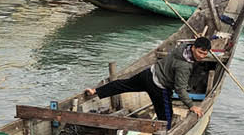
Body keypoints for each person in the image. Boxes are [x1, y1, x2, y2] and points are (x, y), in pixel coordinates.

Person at [84, 36, 213, 128]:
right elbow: (180, 89)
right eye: (200, 52)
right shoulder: (184, 66)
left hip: (148, 74)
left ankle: (95, 91)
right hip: (159, 86)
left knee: (122, 84)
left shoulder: (183, 46)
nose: (201, 56)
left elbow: (190, 43)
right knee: (166, 119)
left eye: (204, 54)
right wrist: (191, 105)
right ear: (194, 48)